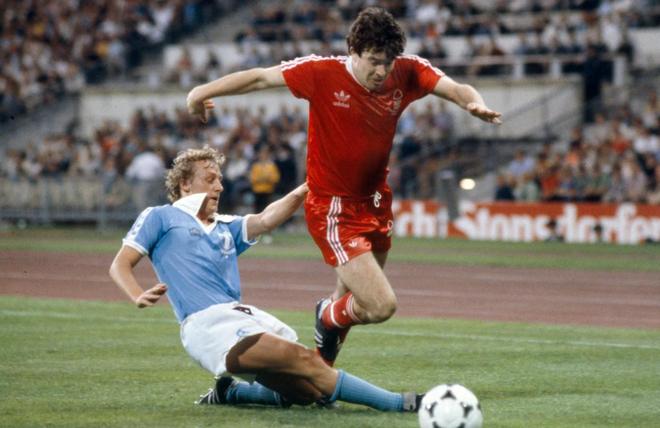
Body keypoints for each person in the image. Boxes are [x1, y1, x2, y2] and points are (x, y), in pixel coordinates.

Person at [186, 7, 502, 366]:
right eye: (374, 61)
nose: (381, 71)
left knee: (348, 298)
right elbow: (259, 78)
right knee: (380, 305)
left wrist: (474, 103)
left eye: (387, 62)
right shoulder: (321, 72)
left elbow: (455, 88)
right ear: (354, 51)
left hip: (376, 200)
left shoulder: (408, 70)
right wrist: (199, 92)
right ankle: (326, 317)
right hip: (333, 208)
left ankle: (320, 371)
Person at [108, 145, 423, 412]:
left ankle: (230, 392)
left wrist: (308, 186)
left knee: (307, 394)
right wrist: (137, 294)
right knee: (305, 360)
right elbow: (120, 264)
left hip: (241, 317)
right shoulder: (160, 216)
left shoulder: (224, 225)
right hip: (207, 326)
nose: (219, 187)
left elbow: (266, 219)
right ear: (185, 185)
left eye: (220, 180)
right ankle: (400, 403)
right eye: (210, 179)